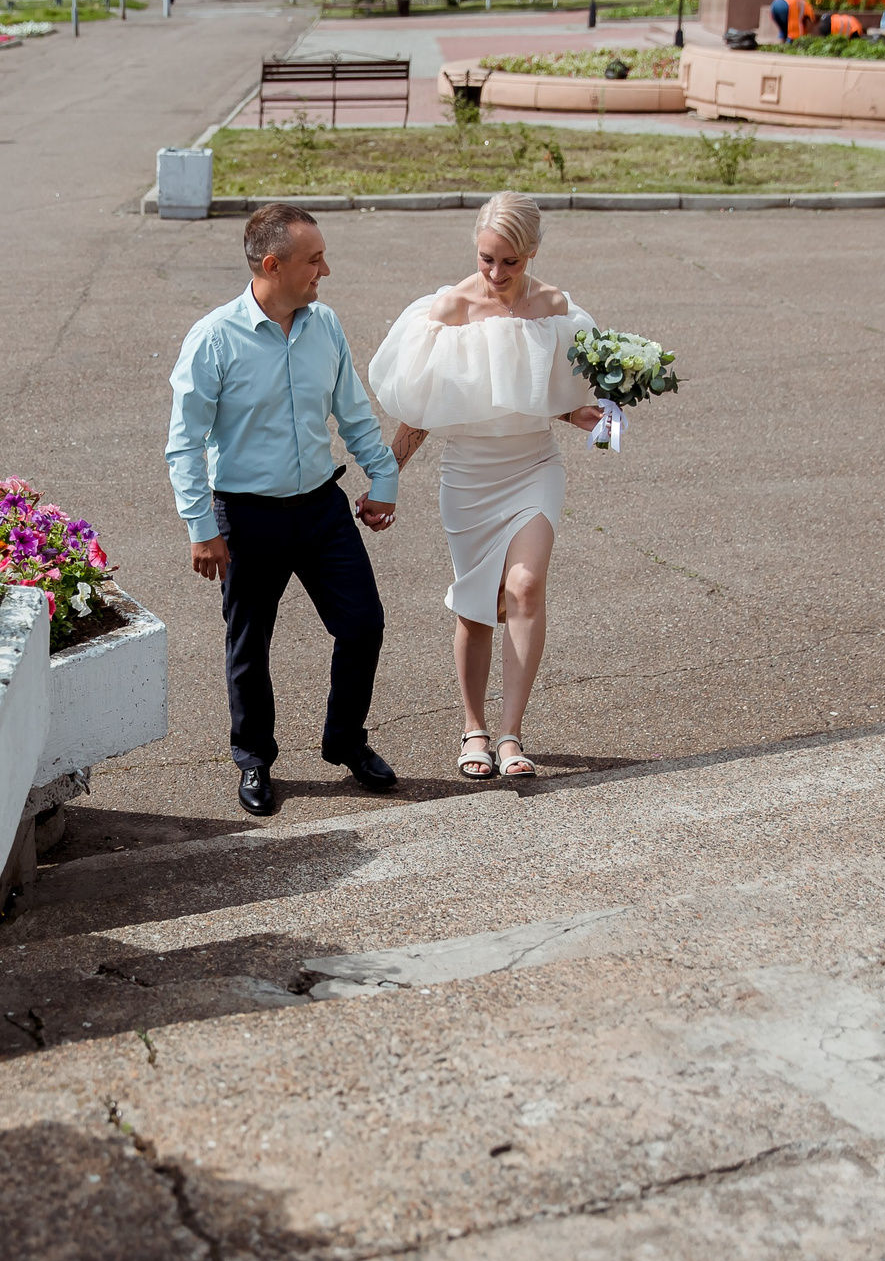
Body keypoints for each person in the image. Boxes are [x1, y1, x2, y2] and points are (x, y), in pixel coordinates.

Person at [166, 203, 402, 818]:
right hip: (245, 517)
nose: (326, 268)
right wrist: (200, 528)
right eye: (314, 258)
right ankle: (254, 759)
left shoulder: (325, 326)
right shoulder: (214, 339)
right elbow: (184, 443)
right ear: (273, 265)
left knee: (363, 626)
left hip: (321, 508)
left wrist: (384, 476)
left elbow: (352, 412)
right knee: (250, 643)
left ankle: (346, 741)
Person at [368, 194, 605, 782]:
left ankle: (510, 734)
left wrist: (579, 413)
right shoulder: (448, 309)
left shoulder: (557, 310)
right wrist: (386, 474)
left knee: (524, 587)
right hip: (469, 474)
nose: (496, 275)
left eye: (511, 263)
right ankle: (473, 727)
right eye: (486, 260)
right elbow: (423, 410)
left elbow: (548, 392)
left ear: (532, 254)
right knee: (478, 608)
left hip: (534, 468)